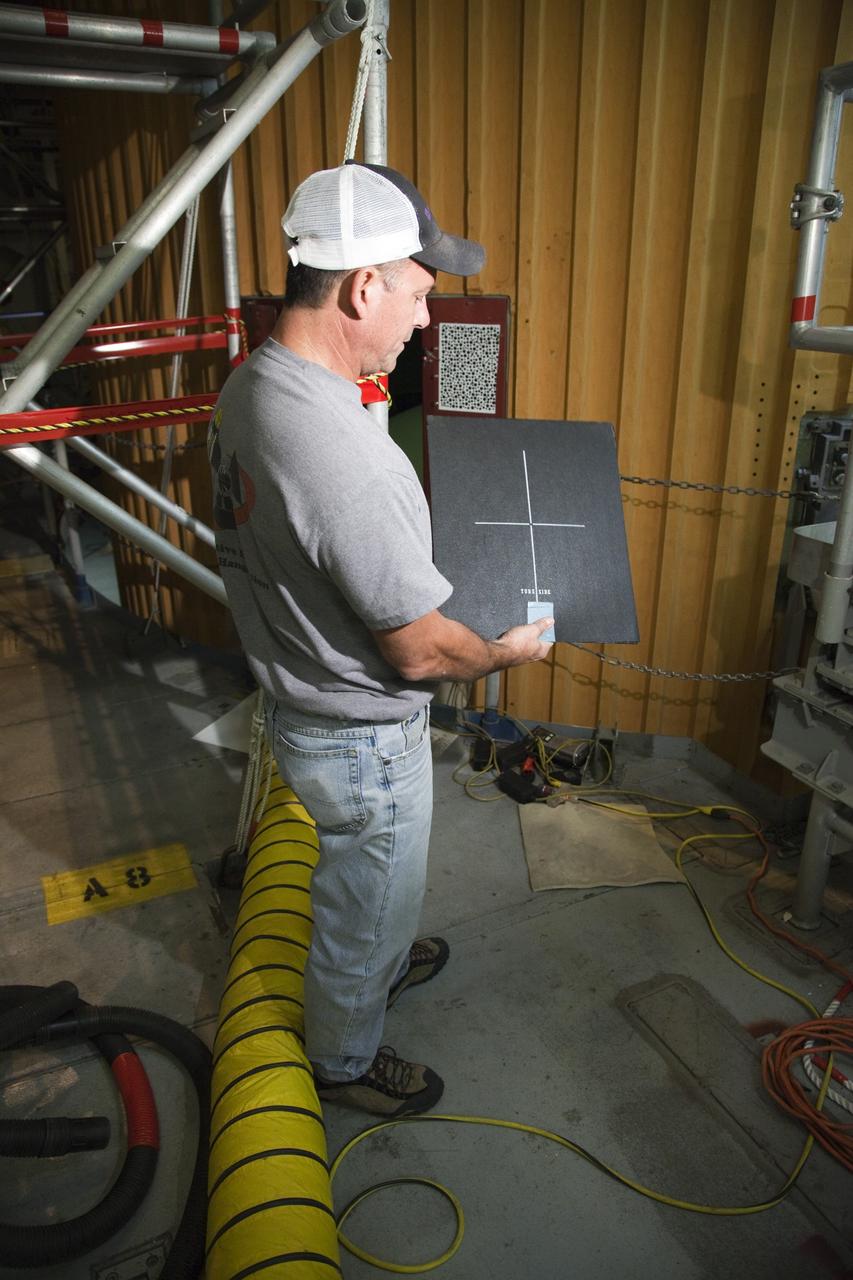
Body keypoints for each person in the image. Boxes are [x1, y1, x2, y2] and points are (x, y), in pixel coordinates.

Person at [209, 160, 553, 1118]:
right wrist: (504, 653)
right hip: (360, 737)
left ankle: (381, 965)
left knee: (373, 894)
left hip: (301, 705)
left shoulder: (251, 388)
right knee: (368, 905)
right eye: (415, 292)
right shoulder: (335, 448)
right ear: (363, 286)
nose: (424, 321)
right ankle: (345, 1057)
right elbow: (418, 652)